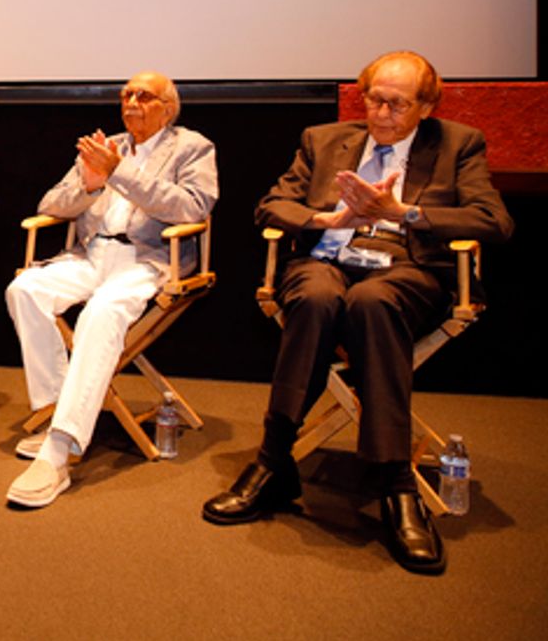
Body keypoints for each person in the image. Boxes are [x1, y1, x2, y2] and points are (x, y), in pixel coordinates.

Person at [202, 51, 513, 575]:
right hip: (327, 260)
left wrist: (405, 213)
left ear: (426, 107)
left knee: (373, 302)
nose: (382, 113)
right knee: (316, 298)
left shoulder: (458, 144)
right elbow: (271, 205)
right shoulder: (322, 140)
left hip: (406, 267)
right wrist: (327, 219)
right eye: (375, 100)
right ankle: (273, 460)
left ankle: (395, 483)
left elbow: (494, 220)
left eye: (398, 104)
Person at [4, 71, 217, 508]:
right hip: (91, 254)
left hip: (147, 260)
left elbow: (193, 207)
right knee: (24, 290)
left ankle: (58, 450)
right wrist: (90, 184)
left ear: (168, 109)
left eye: (143, 95)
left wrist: (120, 173)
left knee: (101, 313)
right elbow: (50, 204)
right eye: (126, 95)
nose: (131, 102)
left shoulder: (192, 147)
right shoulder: (106, 146)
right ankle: (57, 410)